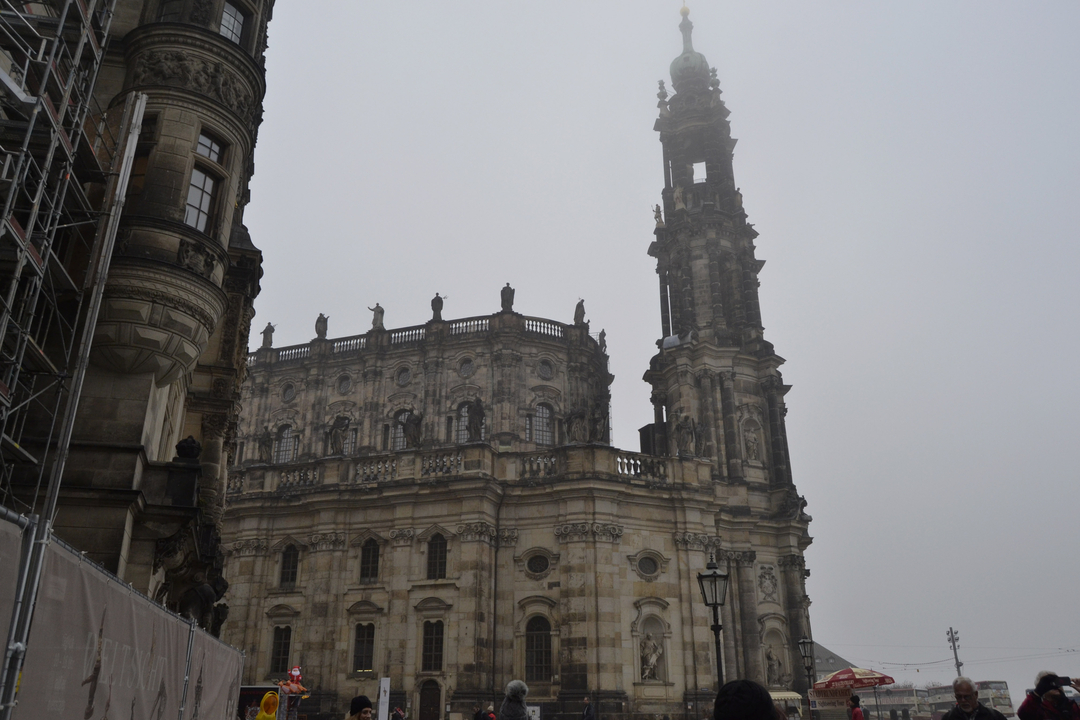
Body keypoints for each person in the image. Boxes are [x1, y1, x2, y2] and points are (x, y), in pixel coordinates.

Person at [943, 677, 1008, 720]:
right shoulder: (948, 718)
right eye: (959, 697)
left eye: (967, 697)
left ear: (976, 695)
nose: (963, 700)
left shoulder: (994, 716)